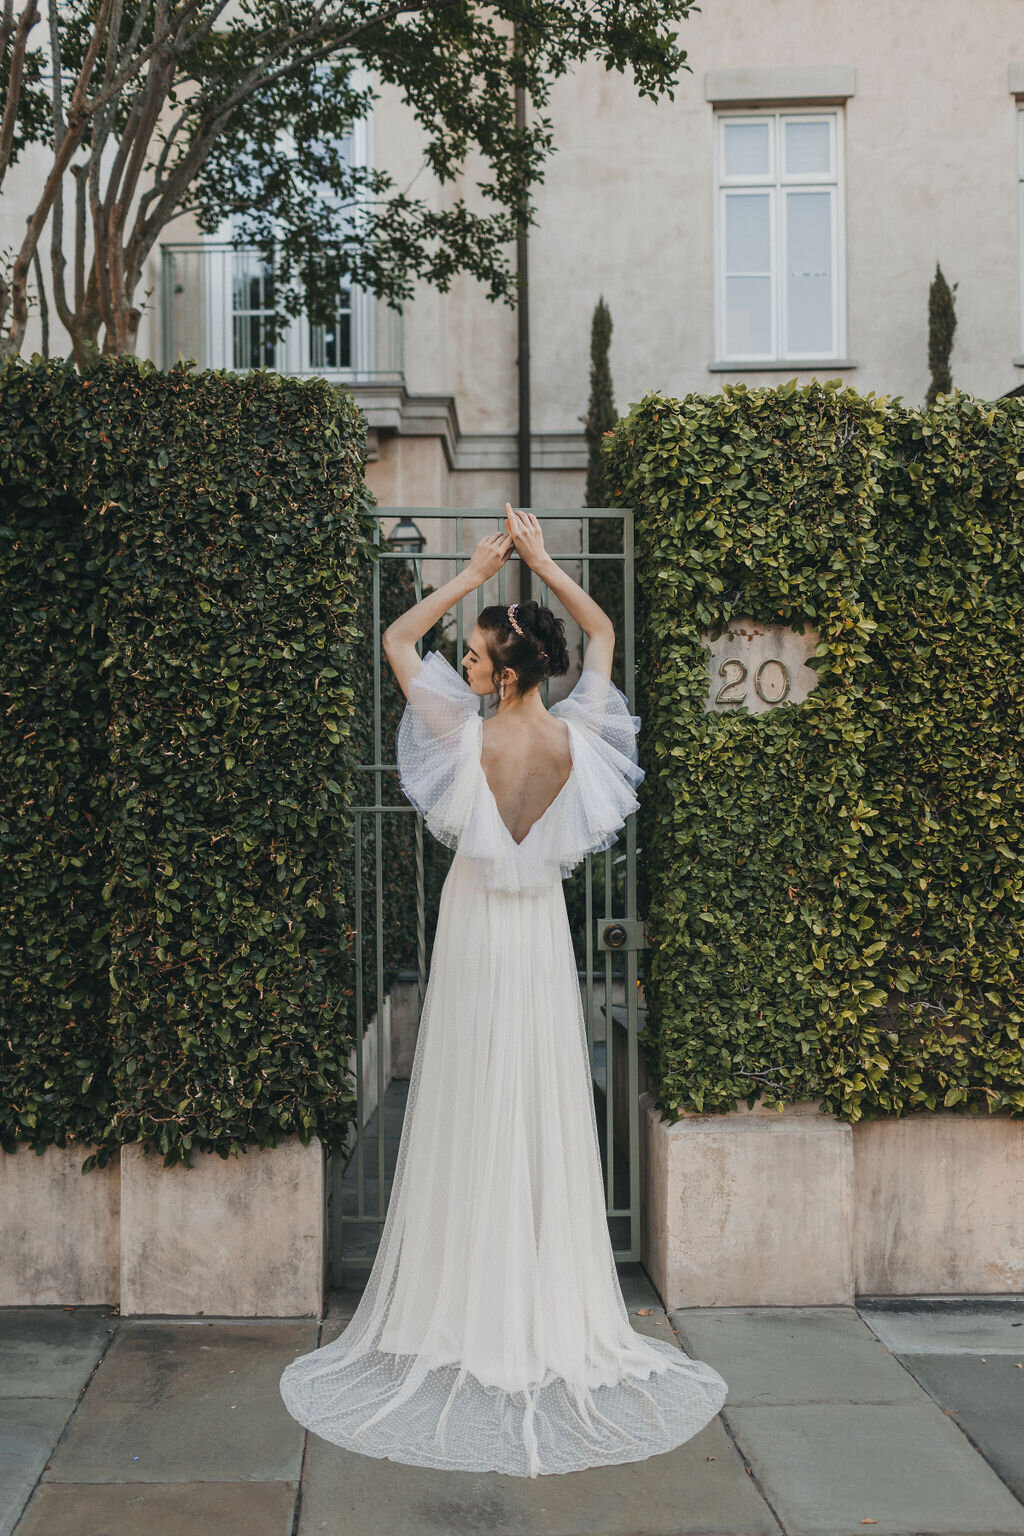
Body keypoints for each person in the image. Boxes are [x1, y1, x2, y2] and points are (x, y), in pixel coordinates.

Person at [278, 504, 728, 1477]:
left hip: (477, 935)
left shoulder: (460, 735)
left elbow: (399, 638)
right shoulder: (574, 738)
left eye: (481, 655)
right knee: (536, 1105)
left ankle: (460, 1300)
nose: (468, 664)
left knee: (468, 1104)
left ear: (508, 670)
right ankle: (541, 1302)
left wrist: (478, 571)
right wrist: (541, 563)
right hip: (533, 943)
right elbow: (600, 632)